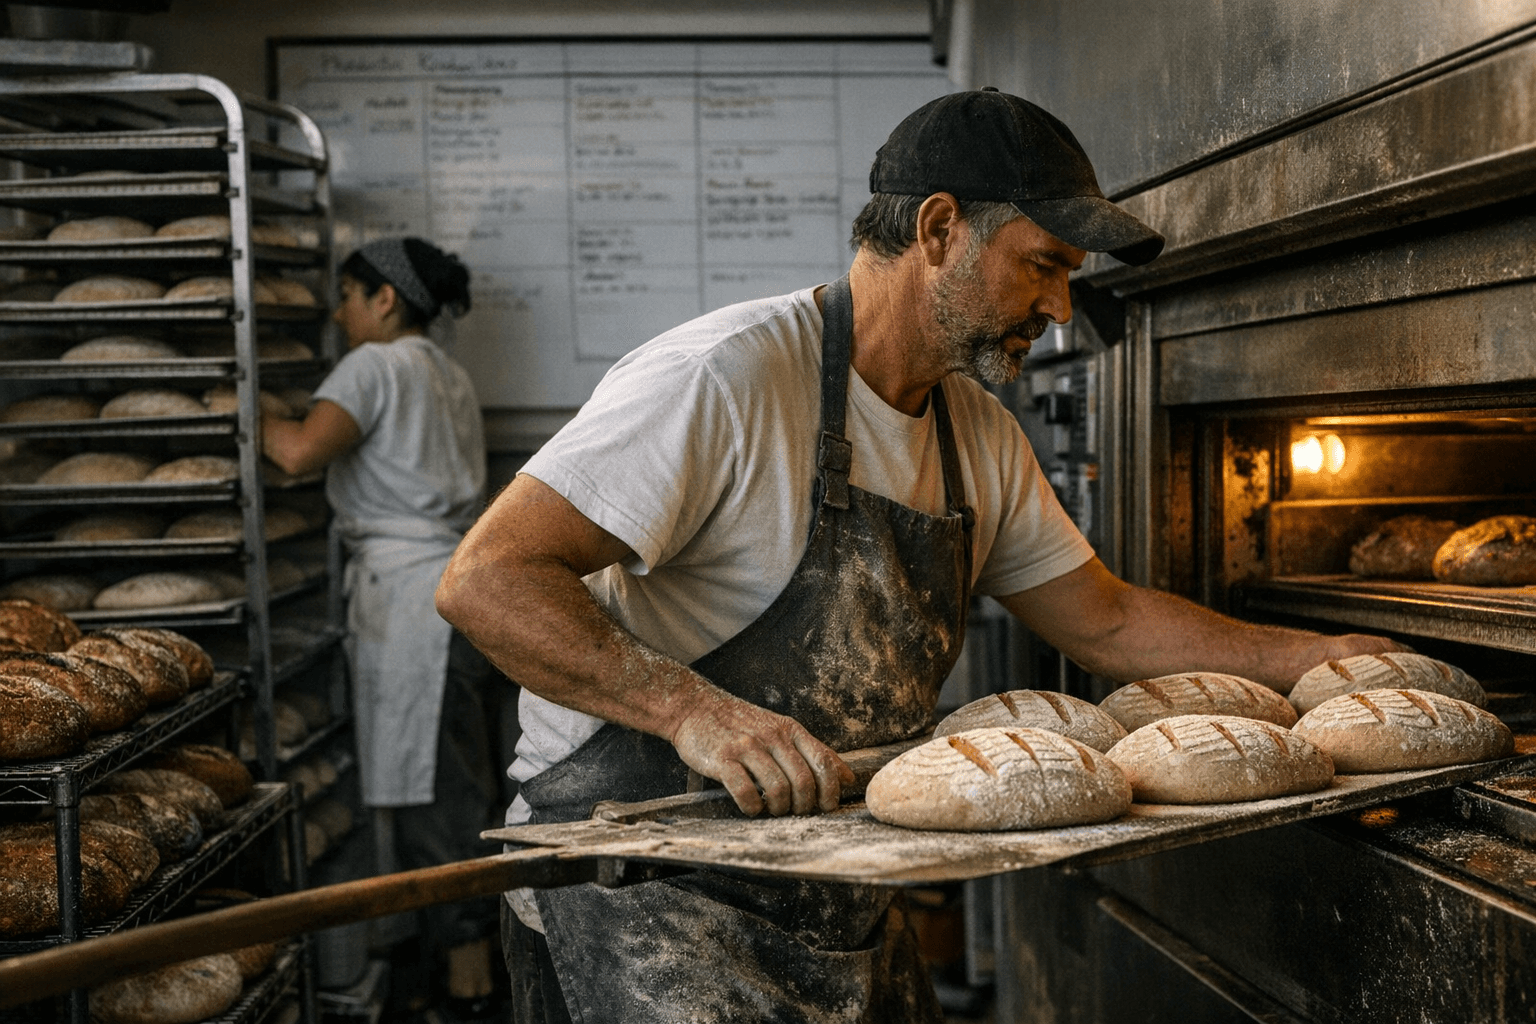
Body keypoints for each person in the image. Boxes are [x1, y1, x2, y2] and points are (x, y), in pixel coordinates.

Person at [435, 90, 1403, 1023]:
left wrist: (1317, 660)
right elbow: (486, 578)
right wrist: (689, 709)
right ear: (940, 230)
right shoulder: (724, 379)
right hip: (642, 895)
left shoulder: (974, 433)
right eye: (1044, 265)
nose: (1062, 306)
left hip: (837, 896)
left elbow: (1105, 620)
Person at [262, 237, 502, 1020]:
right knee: (457, 781)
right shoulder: (448, 373)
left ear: (386, 299)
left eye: (346, 295)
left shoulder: (372, 368)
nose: (337, 313)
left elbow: (299, 454)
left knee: (436, 797)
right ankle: (451, 960)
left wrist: (240, 401)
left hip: (410, 605)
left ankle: (466, 981)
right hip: (451, 592)